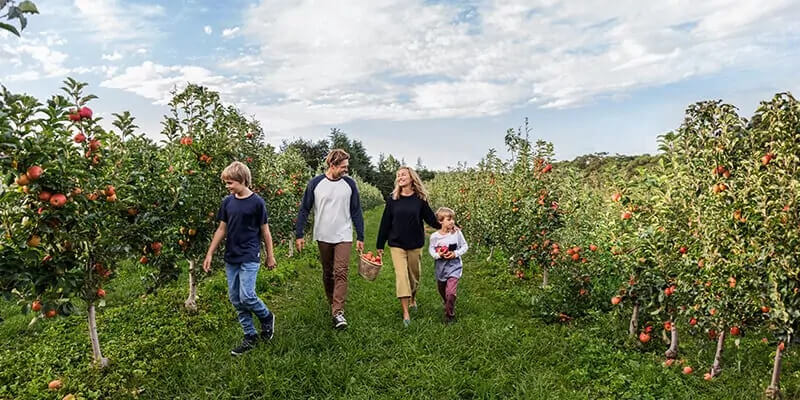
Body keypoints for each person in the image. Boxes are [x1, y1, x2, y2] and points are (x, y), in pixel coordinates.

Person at [203, 161, 277, 356]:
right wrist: (210, 252)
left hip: (250, 255)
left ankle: (266, 316)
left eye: (230, 183)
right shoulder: (227, 202)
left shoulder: (257, 202)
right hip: (232, 256)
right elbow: (222, 229)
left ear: (243, 180)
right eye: (226, 183)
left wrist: (270, 256)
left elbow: (265, 231)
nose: (227, 187)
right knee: (235, 298)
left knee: (247, 295)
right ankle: (249, 335)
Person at [295, 149, 365, 330]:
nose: (346, 170)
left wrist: (361, 235)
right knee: (328, 272)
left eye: (346, 167)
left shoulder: (349, 184)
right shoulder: (316, 183)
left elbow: (356, 211)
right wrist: (299, 234)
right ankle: (332, 301)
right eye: (343, 167)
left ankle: (338, 312)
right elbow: (304, 209)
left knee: (341, 271)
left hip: (344, 234)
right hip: (323, 235)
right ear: (332, 165)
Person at [376, 166, 440, 327]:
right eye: (398, 175)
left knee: (414, 276)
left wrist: (449, 226)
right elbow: (385, 222)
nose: (400, 177)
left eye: (403, 174)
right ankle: (405, 313)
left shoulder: (420, 200)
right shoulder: (393, 199)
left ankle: (412, 298)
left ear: (412, 178)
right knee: (401, 276)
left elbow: (431, 220)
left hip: (415, 243)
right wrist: (380, 244)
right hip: (396, 243)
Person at [428, 207, 468, 324]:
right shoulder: (435, 236)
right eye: (448, 219)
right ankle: (447, 302)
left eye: (452, 219)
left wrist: (455, 253)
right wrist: (438, 255)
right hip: (441, 267)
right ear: (441, 221)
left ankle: (449, 315)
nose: (452, 222)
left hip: (454, 266)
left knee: (450, 292)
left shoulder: (457, 233)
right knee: (442, 289)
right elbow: (431, 249)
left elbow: (465, 246)